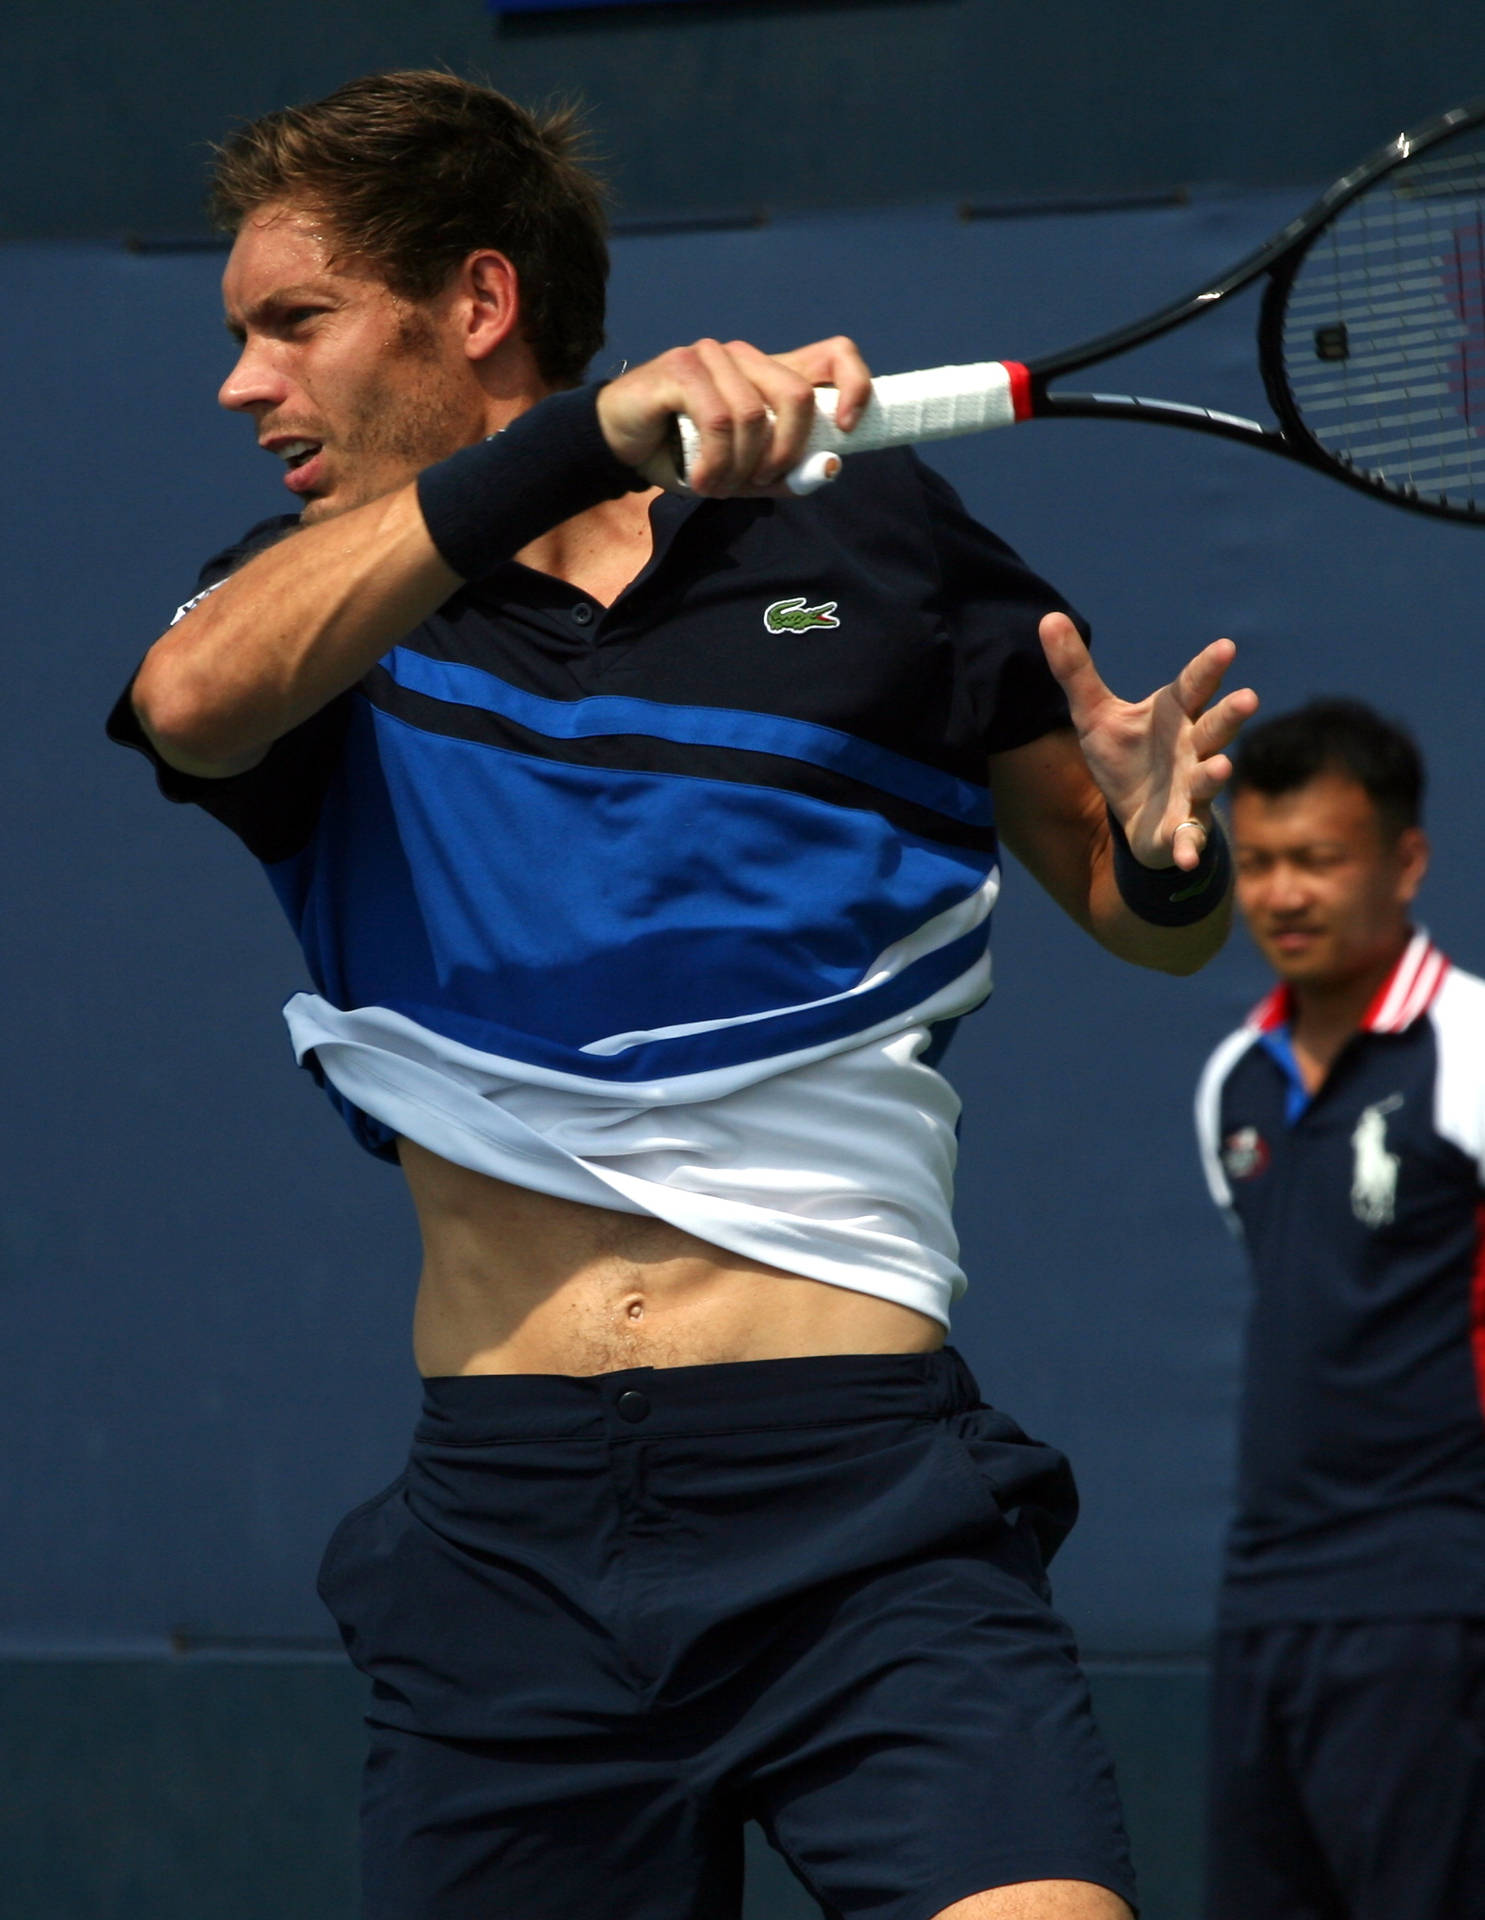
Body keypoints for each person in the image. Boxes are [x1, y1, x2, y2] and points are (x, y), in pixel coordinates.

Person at [110, 69, 1256, 1920]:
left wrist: (1175, 849)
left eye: (291, 325)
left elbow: (1148, 916)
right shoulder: (313, 613)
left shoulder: (880, 549)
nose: (248, 387)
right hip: (505, 1552)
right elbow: (191, 704)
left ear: (475, 306)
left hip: (867, 1519)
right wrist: (584, 445)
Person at [1194, 698, 1485, 1920]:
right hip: (1266, 1611)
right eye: (1257, 863)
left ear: (1404, 862)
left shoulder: (1473, 1046)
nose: (1282, 894)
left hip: (1437, 1607)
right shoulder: (1231, 1085)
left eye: (1319, 860)